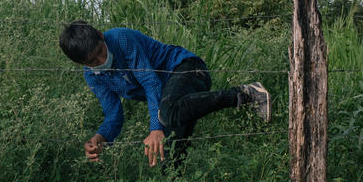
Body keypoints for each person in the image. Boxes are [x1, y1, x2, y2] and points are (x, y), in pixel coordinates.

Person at [59, 20, 271, 167]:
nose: (100, 61)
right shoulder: (93, 76)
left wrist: (155, 128)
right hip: (171, 99)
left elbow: (150, 82)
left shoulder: (121, 39)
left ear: (101, 36)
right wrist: (99, 138)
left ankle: (246, 94)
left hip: (187, 69)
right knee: (169, 162)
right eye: (91, 61)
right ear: (81, 64)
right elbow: (114, 114)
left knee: (166, 115)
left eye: (100, 52)